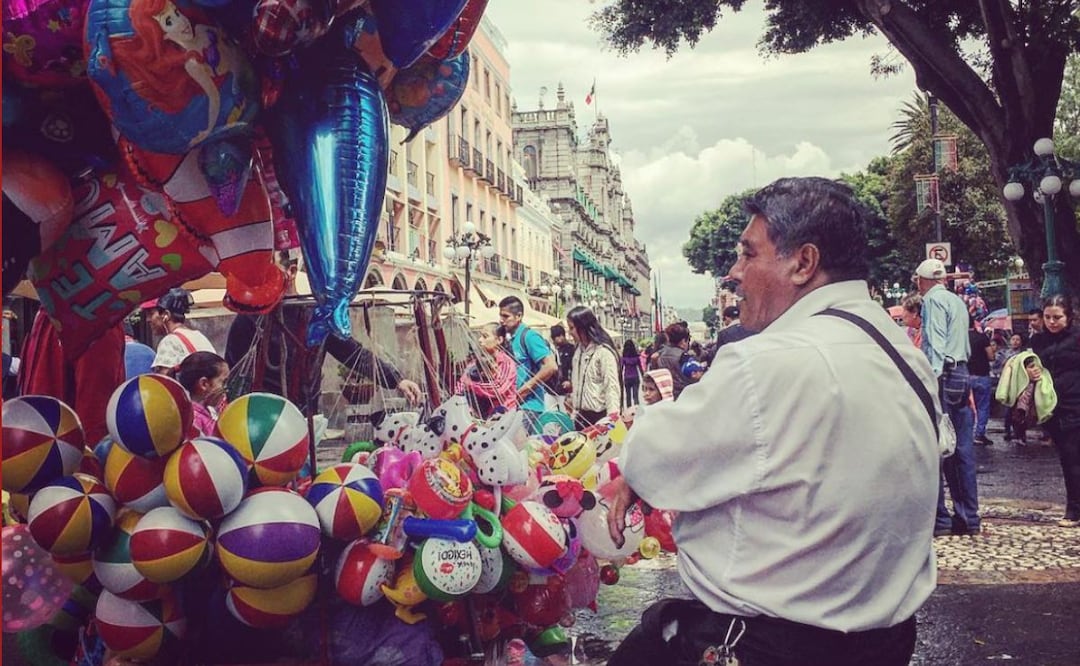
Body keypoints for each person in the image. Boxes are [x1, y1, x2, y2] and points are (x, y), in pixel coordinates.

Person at [604, 177, 938, 666]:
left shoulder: (767, 361)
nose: (734, 272)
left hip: (767, 643)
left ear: (803, 263)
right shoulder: (903, 354)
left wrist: (638, 462)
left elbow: (655, 458)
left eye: (748, 253)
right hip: (881, 644)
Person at [224, 252, 422, 410]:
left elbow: (352, 352)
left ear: (291, 271)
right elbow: (233, 370)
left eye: (270, 269)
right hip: (259, 417)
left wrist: (396, 379)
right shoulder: (249, 319)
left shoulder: (315, 317)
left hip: (302, 418)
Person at [916, 258, 979, 537]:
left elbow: (936, 344)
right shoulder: (956, 300)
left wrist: (930, 380)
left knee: (939, 447)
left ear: (921, 280)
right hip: (962, 373)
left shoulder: (931, 302)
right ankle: (969, 516)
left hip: (945, 375)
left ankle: (940, 519)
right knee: (962, 447)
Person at [1030, 295, 1080, 527]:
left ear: (1068, 317)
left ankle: (1074, 509)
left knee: (1072, 458)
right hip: (1053, 407)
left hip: (1075, 403)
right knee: (1068, 458)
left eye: (1057, 317)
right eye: (1048, 317)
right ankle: (1074, 506)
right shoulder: (1039, 341)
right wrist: (1032, 372)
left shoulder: (1077, 338)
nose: (1052, 322)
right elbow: (1032, 365)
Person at [498, 296, 558, 428]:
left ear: (518, 316)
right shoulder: (511, 339)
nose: (501, 320)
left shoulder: (529, 336)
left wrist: (525, 390)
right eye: (501, 316)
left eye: (506, 316)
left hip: (529, 407)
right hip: (514, 406)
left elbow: (551, 366)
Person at [565, 306, 621, 428]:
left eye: (572, 328)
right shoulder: (578, 351)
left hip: (599, 418)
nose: (569, 332)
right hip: (580, 416)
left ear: (583, 327)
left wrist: (612, 419)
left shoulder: (603, 352)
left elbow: (611, 387)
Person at [455, 323, 518, 419]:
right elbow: (461, 385)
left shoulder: (507, 363)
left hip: (502, 416)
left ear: (499, 340)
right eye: (480, 336)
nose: (480, 340)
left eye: (485, 336)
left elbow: (498, 388)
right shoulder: (474, 363)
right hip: (477, 415)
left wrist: (471, 385)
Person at [146, 288, 215, 374]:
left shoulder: (170, 341)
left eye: (151, 314)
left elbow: (164, 382)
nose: (148, 319)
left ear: (166, 315)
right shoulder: (199, 336)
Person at [996, 352, 1056, 449]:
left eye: (1036, 366)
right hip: (1023, 407)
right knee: (1018, 417)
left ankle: (1046, 436)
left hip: (1033, 406)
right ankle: (1019, 436)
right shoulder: (1018, 386)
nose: (1036, 369)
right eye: (1031, 367)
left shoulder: (1042, 381)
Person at [175, 351, 229, 436]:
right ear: (204, 384)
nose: (227, 388)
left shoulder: (209, 411)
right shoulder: (193, 421)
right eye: (224, 382)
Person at [968, 315, 995, 446]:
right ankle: (979, 434)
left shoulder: (959, 339)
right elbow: (991, 356)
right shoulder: (982, 337)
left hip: (966, 376)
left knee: (967, 407)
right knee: (983, 407)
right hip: (982, 375)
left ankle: (967, 433)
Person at [654, 323, 692, 398]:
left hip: (665, 393)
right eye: (687, 341)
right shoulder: (684, 356)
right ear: (683, 341)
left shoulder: (661, 354)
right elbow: (691, 377)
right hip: (682, 395)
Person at [548, 324, 576, 396]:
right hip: (552, 388)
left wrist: (571, 382)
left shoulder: (571, 349)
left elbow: (575, 368)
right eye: (554, 337)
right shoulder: (552, 350)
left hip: (566, 387)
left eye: (558, 336)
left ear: (563, 335)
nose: (557, 339)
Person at [621, 340, 644, 406]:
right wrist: (644, 377)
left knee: (628, 397)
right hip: (635, 377)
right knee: (635, 396)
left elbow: (621, 369)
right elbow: (640, 368)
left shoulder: (623, 358)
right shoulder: (636, 358)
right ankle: (637, 410)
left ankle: (629, 411)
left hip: (627, 377)